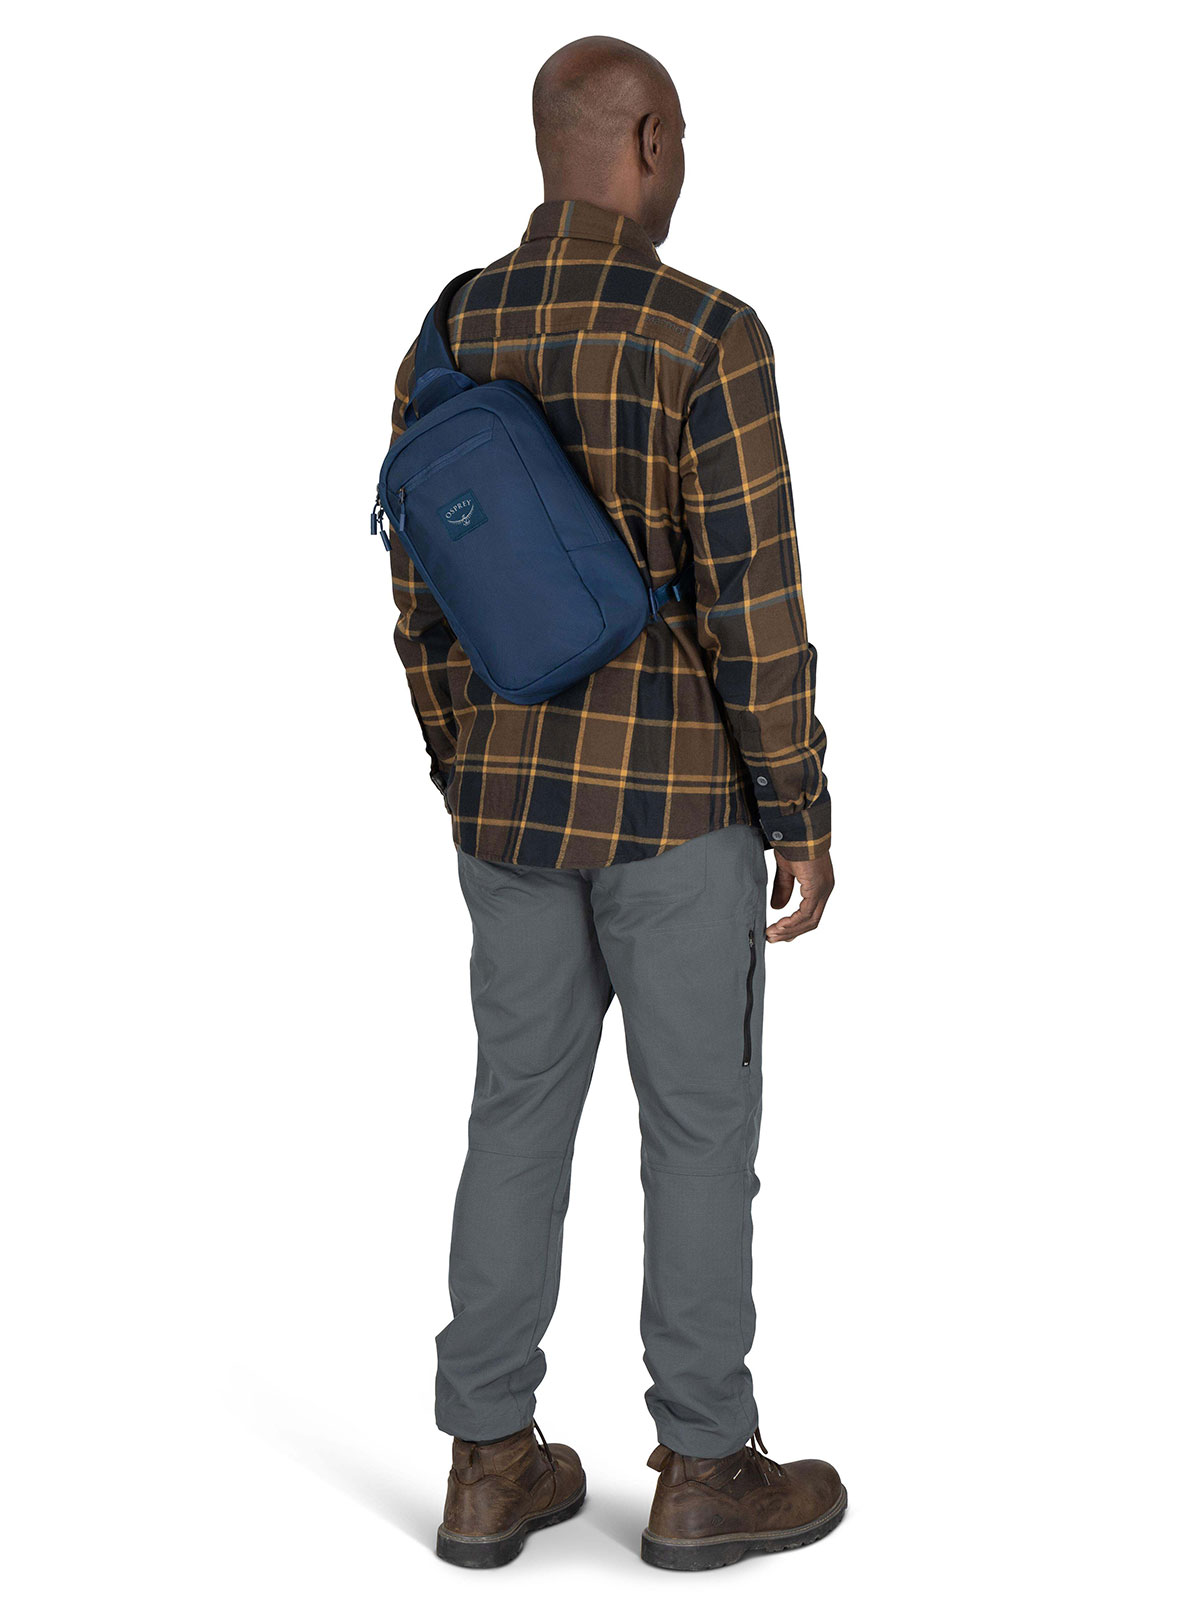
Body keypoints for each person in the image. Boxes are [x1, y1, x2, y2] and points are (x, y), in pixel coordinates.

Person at [386, 35, 844, 1572]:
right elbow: (755, 605)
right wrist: (800, 808)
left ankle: (485, 1462)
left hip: (509, 818)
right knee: (697, 1133)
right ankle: (706, 1469)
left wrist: (465, 764)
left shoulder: (452, 329)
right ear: (646, 142)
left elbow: (419, 589)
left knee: (515, 1115)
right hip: (679, 816)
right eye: (682, 138)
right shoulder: (706, 333)